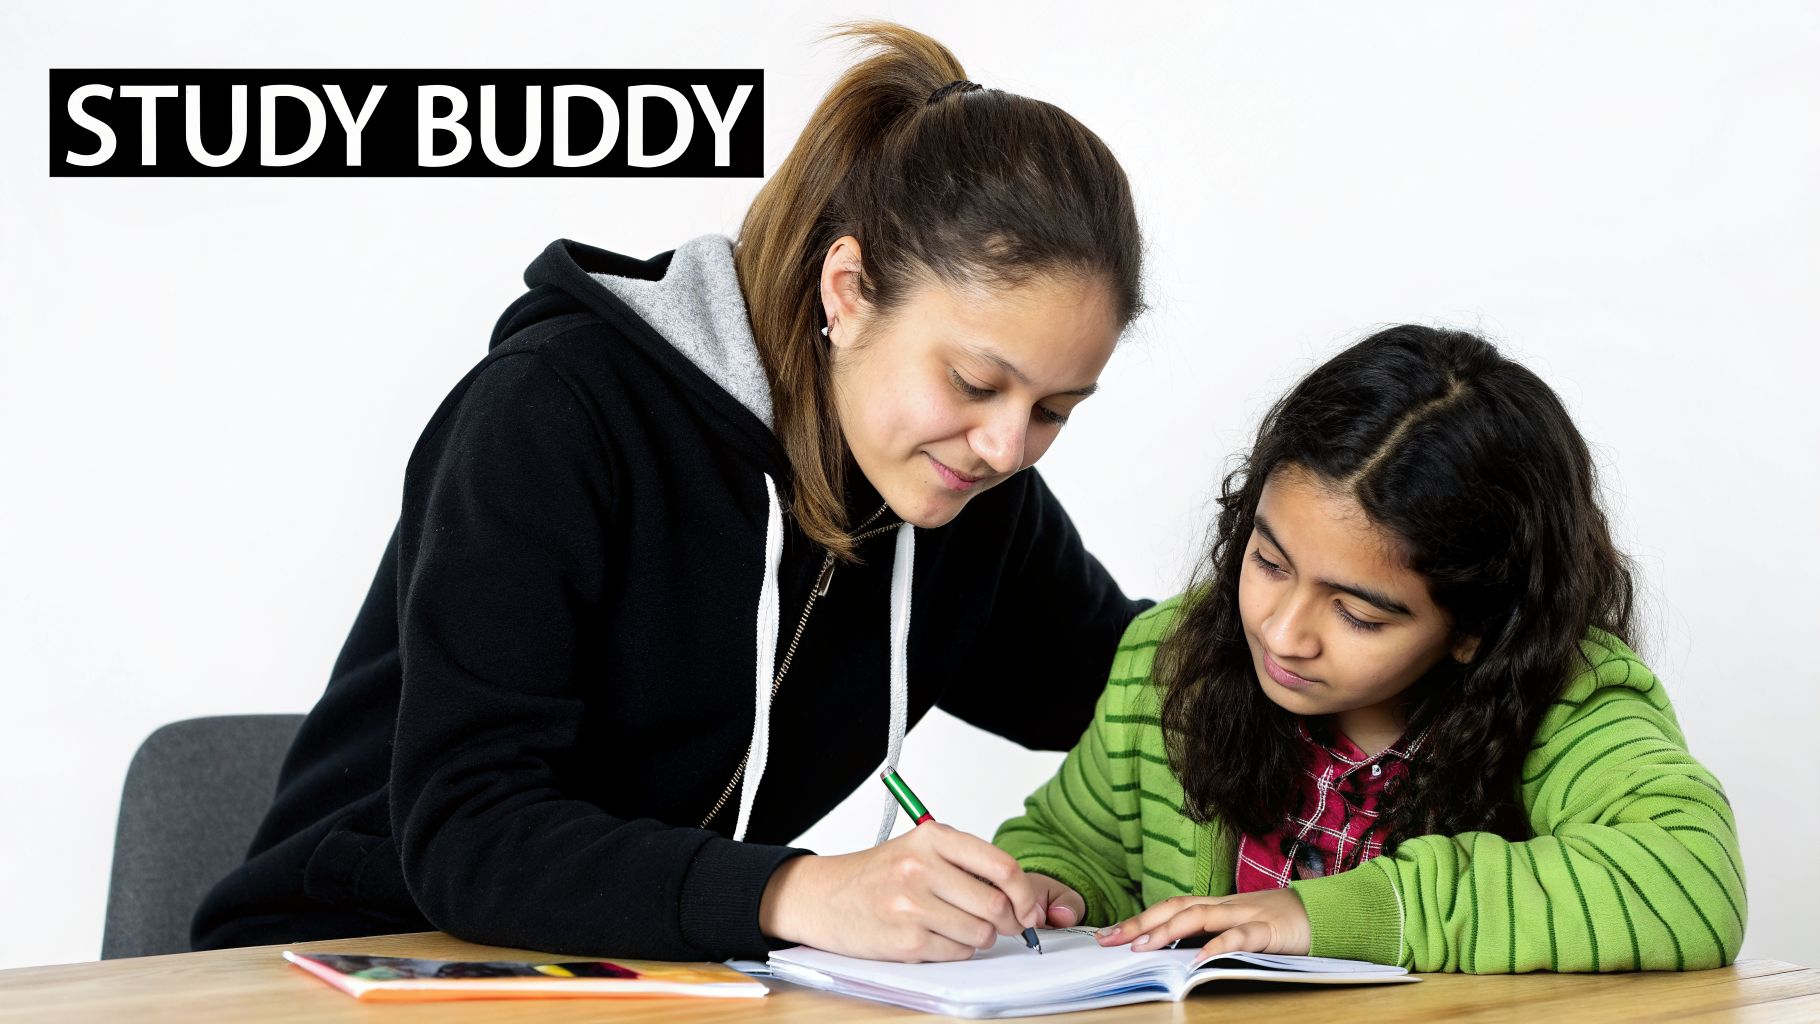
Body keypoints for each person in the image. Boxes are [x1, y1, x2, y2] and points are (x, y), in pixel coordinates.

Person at [192, 22, 1151, 963]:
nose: (1007, 446)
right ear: (848, 290)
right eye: (976, 384)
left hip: (623, 978)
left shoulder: (967, 496)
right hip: (349, 958)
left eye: (1055, 409)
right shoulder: (558, 413)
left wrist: (1291, 570)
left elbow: (1140, 691)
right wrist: (798, 891)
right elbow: (469, 832)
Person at [996, 325, 1746, 972]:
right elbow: (1075, 842)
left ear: (1476, 627)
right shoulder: (1172, 660)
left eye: (1357, 614)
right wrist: (1049, 886)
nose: (1283, 633)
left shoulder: (1567, 705)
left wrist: (1341, 915)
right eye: (1269, 562)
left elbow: (1690, 879)